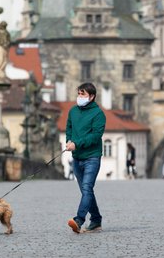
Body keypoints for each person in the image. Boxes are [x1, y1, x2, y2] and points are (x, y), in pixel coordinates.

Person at [66, 83, 106, 233]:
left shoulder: (98, 114)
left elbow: (96, 136)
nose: (80, 97)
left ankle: (79, 220)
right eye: (79, 94)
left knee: (87, 188)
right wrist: (69, 141)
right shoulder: (73, 111)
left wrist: (77, 143)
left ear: (91, 96)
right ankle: (96, 220)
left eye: (83, 94)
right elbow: (69, 128)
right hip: (77, 158)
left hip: (92, 157)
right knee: (86, 191)